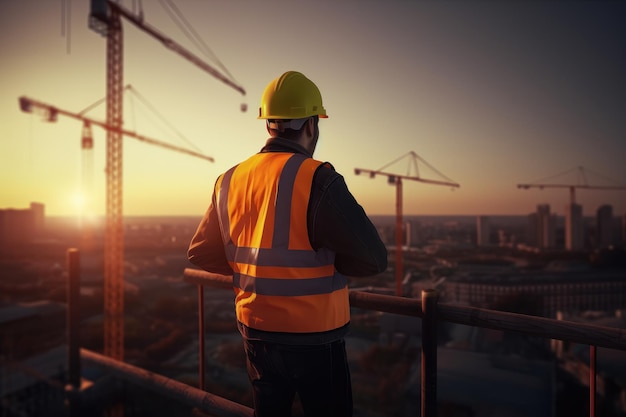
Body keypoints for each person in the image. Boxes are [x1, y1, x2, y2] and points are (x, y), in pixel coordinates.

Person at [187, 70, 387, 417]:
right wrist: (325, 264)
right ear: (311, 125)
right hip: (314, 335)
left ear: (269, 125)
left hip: (256, 332)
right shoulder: (318, 177)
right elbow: (373, 258)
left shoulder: (229, 179)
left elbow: (201, 252)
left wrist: (254, 273)